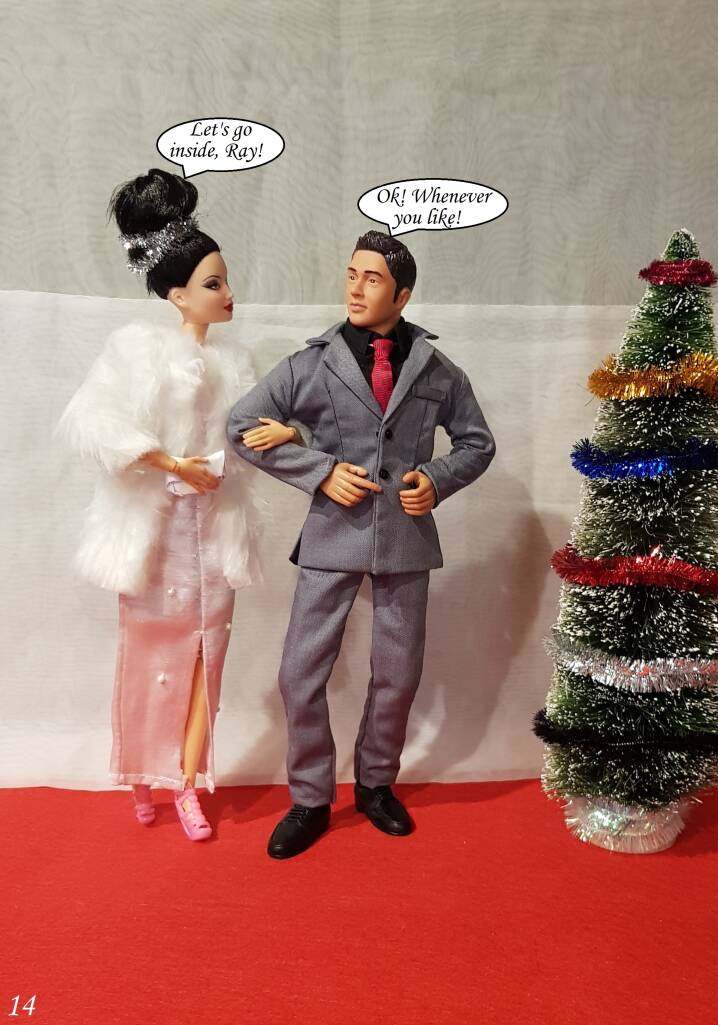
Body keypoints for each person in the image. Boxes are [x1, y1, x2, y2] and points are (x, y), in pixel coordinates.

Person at [227, 230, 496, 858]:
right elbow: (240, 426)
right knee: (300, 672)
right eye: (352, 273)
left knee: (398, 674)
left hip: (405, 536)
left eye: (372, 279)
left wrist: (435, 480)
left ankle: (376, 783)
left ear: (402, 295)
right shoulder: (311, 364)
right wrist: (318, 469)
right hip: (332, 534)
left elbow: (477, 443)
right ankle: (310, 796)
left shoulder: (436, 369)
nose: (355, 288)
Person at [59, 168, 299, 840]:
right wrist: (168, 463)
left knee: (204, 660)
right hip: (158, 533)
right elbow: (95, 423)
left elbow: (249, 436)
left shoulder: (235, 363)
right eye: (213, 284)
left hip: (214, 531)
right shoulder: (137, 349)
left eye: (225, 282)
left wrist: (278, 437)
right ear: (177, 294)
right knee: (147, 657)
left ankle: (188, 784)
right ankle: (143, 775)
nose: (228, 295)